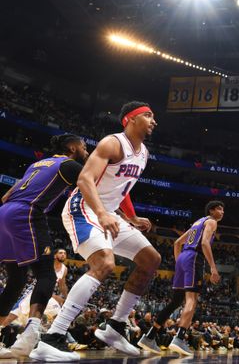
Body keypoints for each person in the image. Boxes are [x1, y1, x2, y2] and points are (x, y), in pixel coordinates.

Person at [31, 102, 162, 362]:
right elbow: (84, 180)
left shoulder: (144, 153)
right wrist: (102, 213)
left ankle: (115, 326)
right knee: (104, 263)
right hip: (85, 207)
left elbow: (122, 188)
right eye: (148, 115)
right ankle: (53, 337)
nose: (153, 121)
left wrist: (131, 217)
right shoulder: (112, 143)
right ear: (130, 119)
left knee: (151, 259)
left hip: (109, 212)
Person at [0, 135, 88, 359]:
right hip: (27, 212)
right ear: (71, 147)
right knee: (47, 273)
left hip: (5, 213)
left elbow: (6, 195)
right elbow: (91, 184)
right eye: (83, 146)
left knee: (16, 280)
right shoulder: (69, 164)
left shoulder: (37, 164)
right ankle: (31, 333)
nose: (86, 150)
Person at [137, 201, 225, 356]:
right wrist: (213, 267)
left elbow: (177, 243)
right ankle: (179, 338)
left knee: (176, 301)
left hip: (183, 257)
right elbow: (204, 243)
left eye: (223, 209)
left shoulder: (198, 222)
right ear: (211, 210)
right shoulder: (211, 222)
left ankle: (149, 337)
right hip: (194, 257)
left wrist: (179, 264)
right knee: (192, 299)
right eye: (219, 208)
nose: (222, 211)